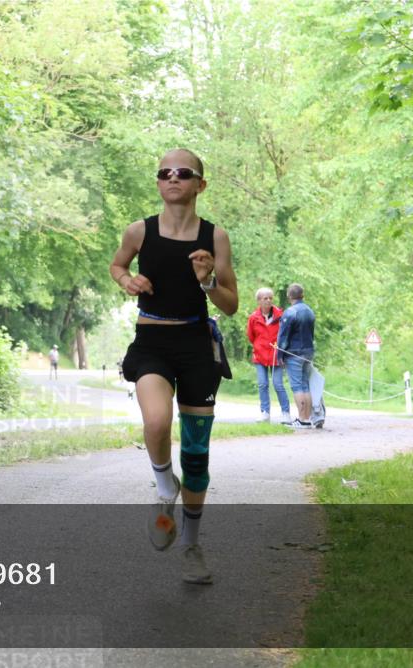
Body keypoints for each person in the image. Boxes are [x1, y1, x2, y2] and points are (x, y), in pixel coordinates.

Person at [110, 148, 239, 584]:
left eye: (183, 173)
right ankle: (165, 486)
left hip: (196, 344)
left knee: (197, 455)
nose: (172, 178)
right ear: (158, 182)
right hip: (152, 342)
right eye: (164, 173)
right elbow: (117, 264)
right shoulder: (139, 231)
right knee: (157, 421)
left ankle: (191, 546)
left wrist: (208, 281)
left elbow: (231, 304)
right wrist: (128, 280)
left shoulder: (215, 237)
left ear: (200, 185)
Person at [246, 287, 291, 424]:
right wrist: (260, 346)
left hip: (276, 356)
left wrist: (281, 351)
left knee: (278, 384)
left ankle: (285, 413)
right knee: (262, 384)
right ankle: (265, 413)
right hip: (260, 356)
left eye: (270, 298)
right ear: (259, 300)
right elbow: (251, 336)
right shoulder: (253, 318)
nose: (268, 300)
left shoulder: (281, 316)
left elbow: (285, 335)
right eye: (265, 298)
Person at [275, 283, 316, 429]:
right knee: (305, 385)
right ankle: (307, 419)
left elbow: (283, 337)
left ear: (289, 296)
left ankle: (302, 419)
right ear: (302, 295)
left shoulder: (290, 313)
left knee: (297, 386)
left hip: (294, 354)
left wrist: (280, 355)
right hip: (308, 352)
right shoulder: (310, 311)